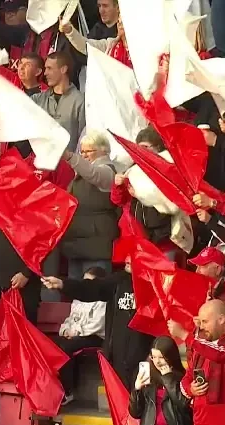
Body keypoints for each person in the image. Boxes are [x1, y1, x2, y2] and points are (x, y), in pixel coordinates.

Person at [42, 256, 155, 389]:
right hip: (116, 355)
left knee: (139, 397)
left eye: (132, 255)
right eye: (126, 254)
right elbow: (92, 288)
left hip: (141, 356)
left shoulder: (153, 283)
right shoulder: (118, 280)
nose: (127, 259)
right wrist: (62, 284)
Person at [168, 300, 225, 425]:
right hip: (201, 422)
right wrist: (191, 389)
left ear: (221, 319)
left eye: (205, 322)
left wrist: (185, 335)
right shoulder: (201, 345)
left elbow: (220, 353)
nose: (201, 327)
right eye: (200, 322)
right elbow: (187, 377)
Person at [59, 132, 118, 278]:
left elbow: (93, 174)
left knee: (95, 289)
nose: (84, 155)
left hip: (96, 246)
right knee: (75, 289)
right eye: (82, 152)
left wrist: (70, 157)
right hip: (76, 246)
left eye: (89, 151)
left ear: (104, 150)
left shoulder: (107, 171)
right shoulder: (80, 173)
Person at [54, 267, 108, 405]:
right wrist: (66, 330)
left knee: (66, 347)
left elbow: (97, 324)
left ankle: (68, 391)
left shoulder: (102, 300)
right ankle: (53, 387)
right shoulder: (78, 299)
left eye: (89, 282)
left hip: (94, 336)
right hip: (75, 334)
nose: (85, 285)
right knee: (53, 343)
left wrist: (75, 332)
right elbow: (71, 319)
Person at [128, 336, 193, 425]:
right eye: (153, 357)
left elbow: (183, 405)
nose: (157, 361)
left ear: (170, 356)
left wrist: (168, 379)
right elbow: (135, 413)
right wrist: (136, 390)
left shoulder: (181, 377)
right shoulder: (147, 376)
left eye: (161, 357)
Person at [31, 51, 86, 152]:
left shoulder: (80, 101)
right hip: (40, 160)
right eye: (45, 68)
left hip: (68, 161)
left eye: (49, 68)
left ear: (63, 69)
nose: (45, 73)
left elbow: (84, 139)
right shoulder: (38, 99)